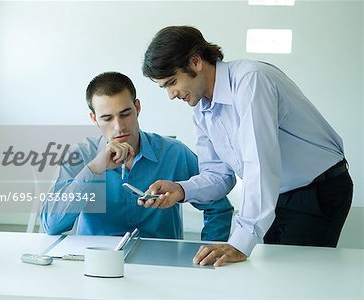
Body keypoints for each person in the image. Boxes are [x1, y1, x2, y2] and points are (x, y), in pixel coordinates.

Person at [141, 25, 353, 266]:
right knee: (273, 275)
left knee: (295, 279)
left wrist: (239, 241)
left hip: (317, 189)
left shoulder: (251, 81)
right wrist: (181, 189)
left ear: (196, 62)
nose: (171, 94)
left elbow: (259, 164)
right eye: (164, 87)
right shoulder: (202, 108)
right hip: (278, 194)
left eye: (172, 82)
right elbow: (220, 175)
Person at [40, 71, 233, 240]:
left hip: (161, 264)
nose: (119, 127)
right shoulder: (80, 155)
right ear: (94, 118)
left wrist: (210, 249)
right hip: (95, 262)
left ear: (137, 108)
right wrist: (93, 170)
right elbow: (52, 225)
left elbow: (219, 208)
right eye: (107, 118)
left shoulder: (174, 153)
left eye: (125, 114)